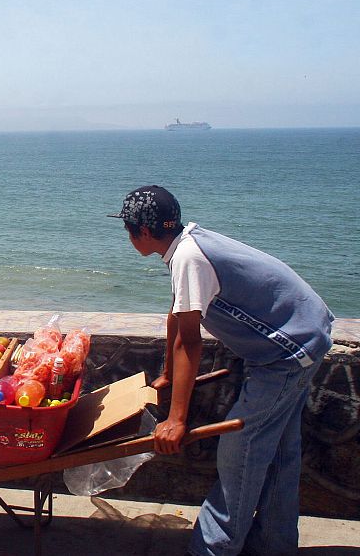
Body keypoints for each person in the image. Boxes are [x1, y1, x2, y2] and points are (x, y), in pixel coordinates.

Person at [109, 185, 333, 556]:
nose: (127, 235)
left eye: (128, 228)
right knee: (279, 453)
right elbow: (177, 315)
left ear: (143, 232)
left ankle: (213, 549)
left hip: (286, 353)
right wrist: (168, 373)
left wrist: (176, 420)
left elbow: (190, 343)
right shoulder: (187, 245)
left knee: (239, 452)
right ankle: (274, 546)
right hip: (304, 336)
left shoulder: (188, 258)